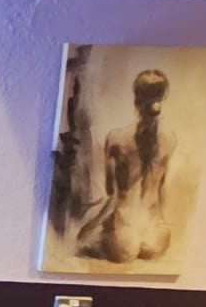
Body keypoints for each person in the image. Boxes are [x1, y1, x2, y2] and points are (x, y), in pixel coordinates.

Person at [75, 69, 175, 263]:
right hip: (156, 234)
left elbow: (111, 193)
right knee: (152, 244)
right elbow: (162, 188)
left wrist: (88, 228)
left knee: (88, 239)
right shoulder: (170, 140)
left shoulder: (116, 138)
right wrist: (165, 221)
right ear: (163, 97)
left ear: (136, 99)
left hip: (124, 234)